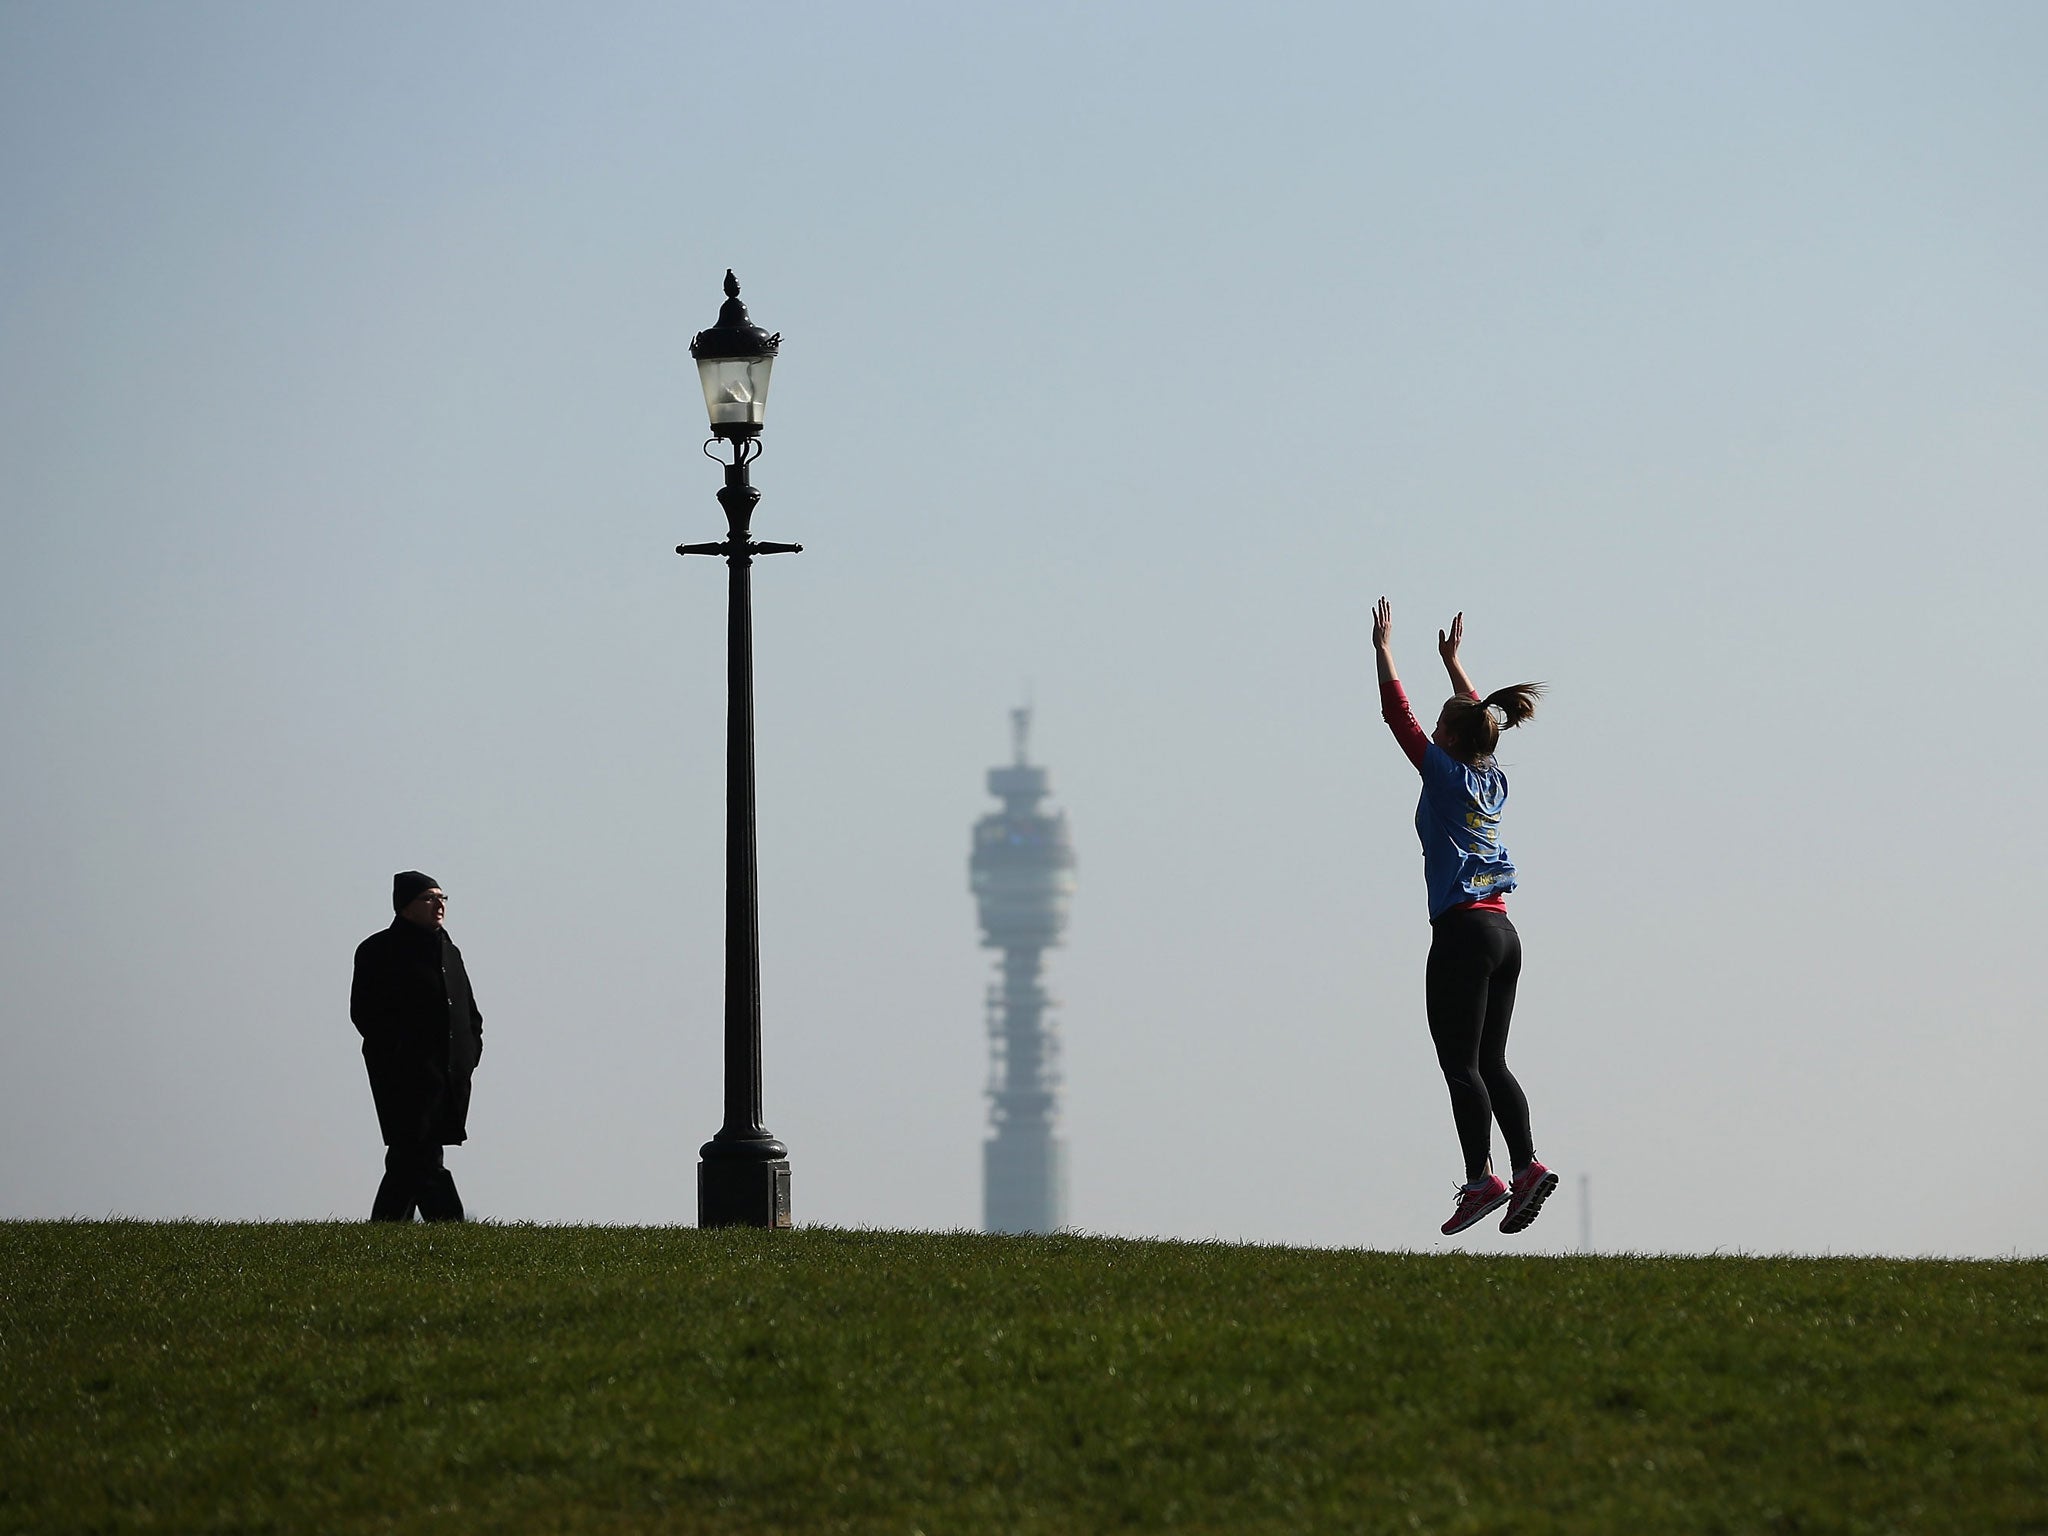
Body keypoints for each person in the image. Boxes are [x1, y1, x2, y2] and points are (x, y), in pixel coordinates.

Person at [1371, 599, 1558, 1237]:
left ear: (1449, 740)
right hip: (1505, 933)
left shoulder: (1446, 776)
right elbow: (1482, 724)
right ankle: (1527, 1165)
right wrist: (1456, 668)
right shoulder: (1492, 777)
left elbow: (1401, 718)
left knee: (1461, 1064)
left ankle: (1483, 1180)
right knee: (1492, 1061)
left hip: (1462, 933)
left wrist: (1384, 650)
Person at [350, 871, 483, 1222]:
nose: (439, 905)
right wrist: (399, 1054)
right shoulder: (378, 950)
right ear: (405, 907)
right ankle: (450, 1228)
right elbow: (365, 1013)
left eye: (442, 897)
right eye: (428, 898)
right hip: (402, 1072)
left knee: (409, 1157)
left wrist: (470, 1055)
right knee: (421, 1153)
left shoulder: (450, 952)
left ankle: (386, 1230)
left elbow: (469, 1013)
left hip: (450, 1073)